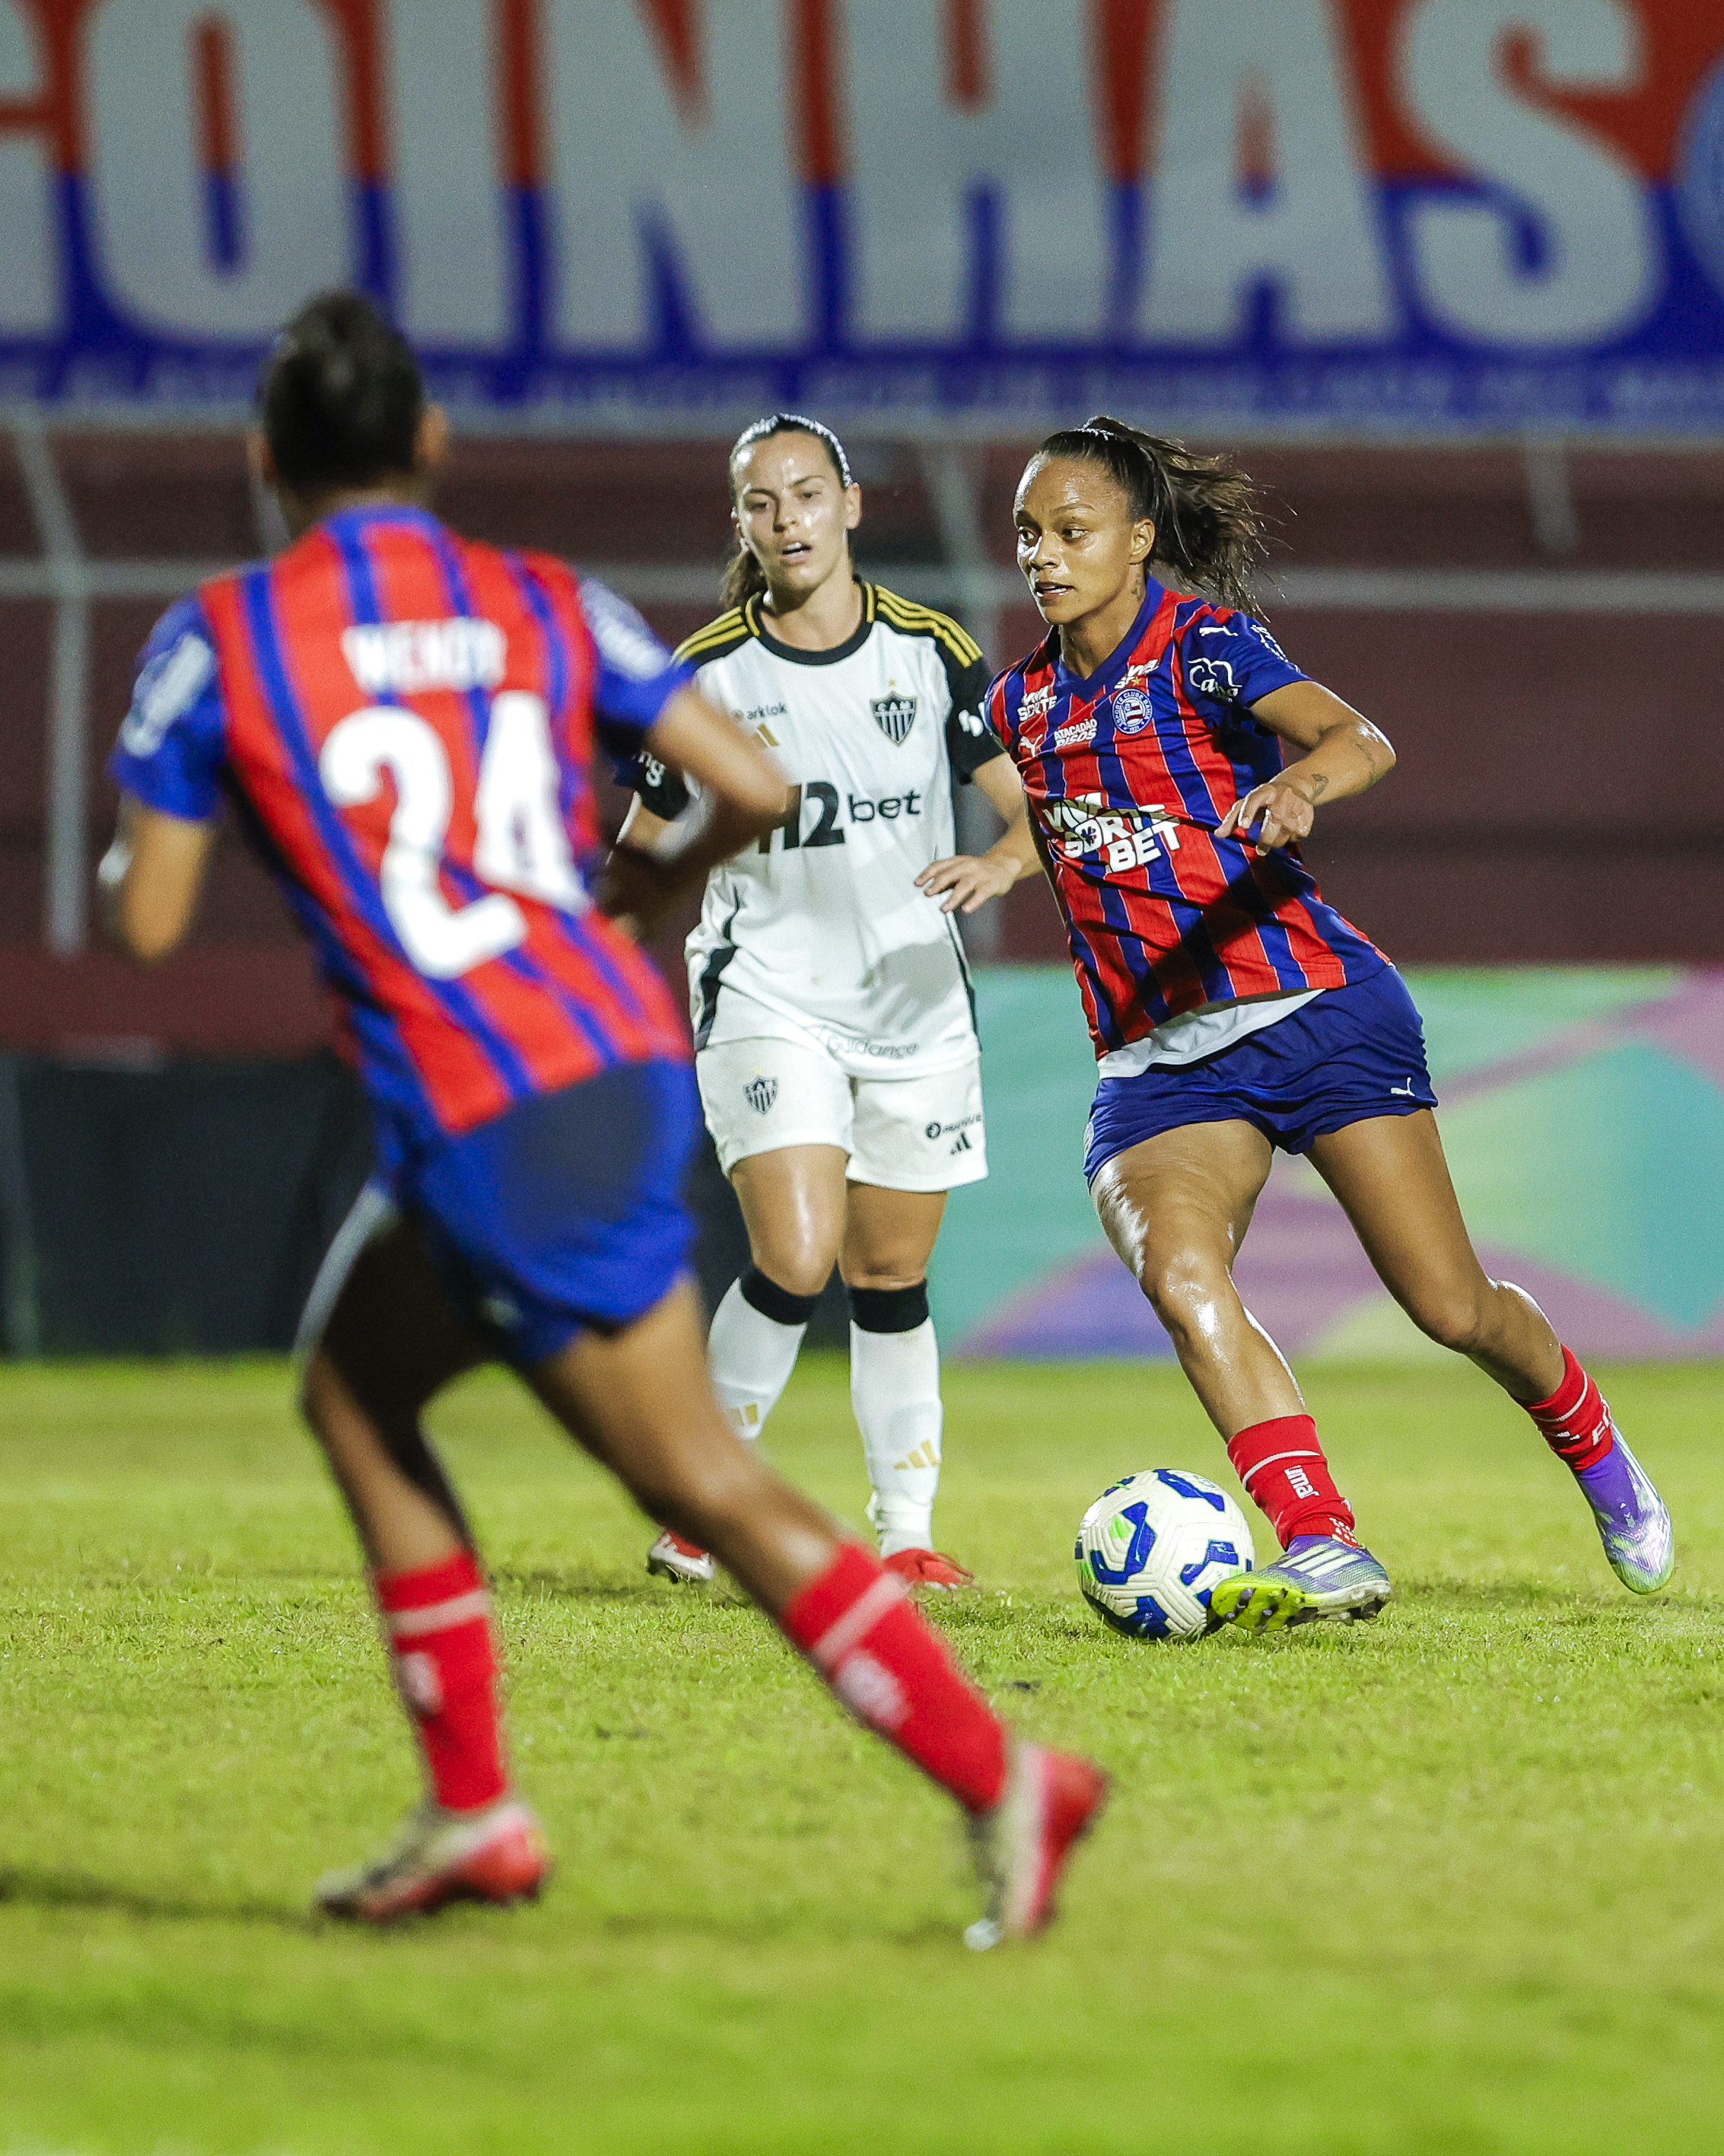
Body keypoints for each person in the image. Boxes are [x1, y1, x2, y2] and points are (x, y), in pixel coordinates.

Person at [98, 292, 1105, 1940]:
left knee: (697, 1480)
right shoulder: (539, 600)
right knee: (357, 1394)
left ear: (266, 457)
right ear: (430, 443)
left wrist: (163, 823)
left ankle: (1004, 1777)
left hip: (495, 1100)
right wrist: (645, 889)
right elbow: (753, 788)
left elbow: (145, 922)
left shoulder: (224, 638)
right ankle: (474, 1813)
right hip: (595, 1051)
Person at [962, 413, 1674, 1633]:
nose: (1042, 554)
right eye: (1028, 532)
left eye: (1071, 530)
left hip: (1310, 1007)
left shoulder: (1201, 645)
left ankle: (1589, 1435)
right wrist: (1003, 860)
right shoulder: (1018, 702)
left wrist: (1297, 782)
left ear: (1138, 538)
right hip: (1157, 1059)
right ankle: (1320, 1540)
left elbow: (1359, 738)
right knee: (1179, 1274)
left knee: (1448, 1305)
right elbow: (1074, 814)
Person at [617, 413, 1033, 1592]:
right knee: (796, 1255)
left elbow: (1027, 812)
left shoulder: (931, 649)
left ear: (849, 504)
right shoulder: (702, 673)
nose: (786, 518)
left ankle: (906, 1533)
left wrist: (1000, 863)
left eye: (806, 493)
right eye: (762, 501)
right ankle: (700, 1506)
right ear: (741, 524)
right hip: (765, 991)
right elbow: (639, 851)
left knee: (889, 1277)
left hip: (912, 1000)